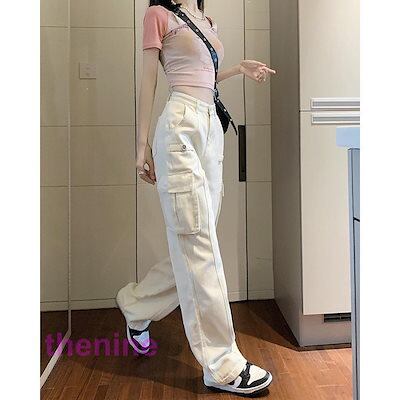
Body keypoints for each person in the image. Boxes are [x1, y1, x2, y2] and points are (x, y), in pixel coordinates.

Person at [116, 0, 276, 395]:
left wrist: (238, 69)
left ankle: (136, 305)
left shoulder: (206, 19)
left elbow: (205, 74)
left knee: (195, 243)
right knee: (197, 243)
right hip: (181, 126)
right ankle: (221, 364)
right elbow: (150, 80)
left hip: (210, 128)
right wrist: (141, 146)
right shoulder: (159, 15)